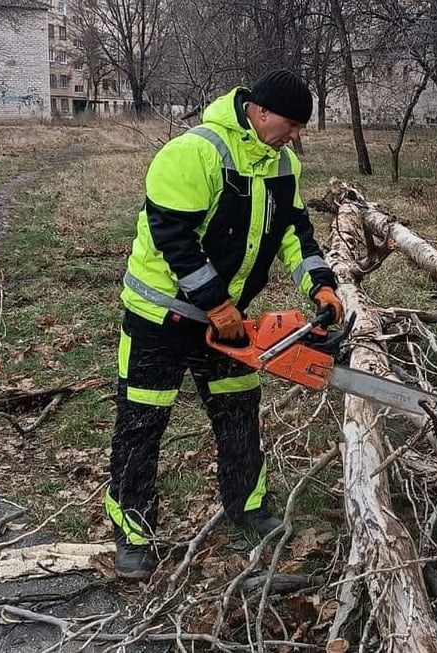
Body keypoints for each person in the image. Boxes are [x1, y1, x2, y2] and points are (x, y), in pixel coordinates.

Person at [106, 69, 345, 580]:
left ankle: (247, 505)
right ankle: (133, 532)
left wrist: (320, 284)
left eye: (301, 126)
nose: (295, 134)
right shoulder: (195, 152)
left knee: (239, 408)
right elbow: (172, 235)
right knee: (142, 422)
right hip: (161, 316)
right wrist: (216, 304)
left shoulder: (283, 162)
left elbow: (293, 231)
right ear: (259, 112)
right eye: (290, 123)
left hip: (227, 321)